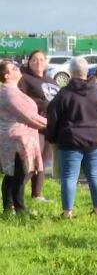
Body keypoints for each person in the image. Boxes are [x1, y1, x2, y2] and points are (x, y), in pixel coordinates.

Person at [45, 57, 97, 218]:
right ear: (86, 72)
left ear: (71, 72)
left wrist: (52, 138)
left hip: (70, 140)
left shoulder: (64, 94)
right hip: (96, 139)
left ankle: (68, 212)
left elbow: (52, 116)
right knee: (95, 174)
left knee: (69, 176)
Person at [0, 60, 47, 215]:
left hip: (17, 138)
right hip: (16, 140)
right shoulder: (9, 92)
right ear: (7, 76)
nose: (17, 68)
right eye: (13, 68)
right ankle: (19, 208)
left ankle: (9, 208)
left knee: (13, 174)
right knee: (18, 175)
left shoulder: (11, 90)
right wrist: (51, 123)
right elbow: (28, 116)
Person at [18, 50, 59, 202]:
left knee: (43, 160)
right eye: (34, 59)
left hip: (50, 125)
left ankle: (37, 194)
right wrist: (43, 104)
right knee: (32, 161)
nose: (38, 62)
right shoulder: (24, 79)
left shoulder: (51, 80)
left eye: (42, 59)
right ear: (29, 62)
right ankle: (16, 194)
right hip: (34, 125)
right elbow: (21, 100)